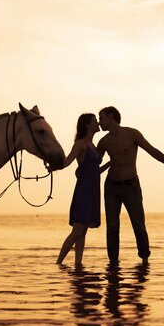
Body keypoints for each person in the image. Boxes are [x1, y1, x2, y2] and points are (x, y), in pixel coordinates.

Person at [97, 106, 164, 263]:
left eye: (101, 118)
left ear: (111, 117)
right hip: (111, 186)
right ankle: (113, 262)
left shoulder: (132, 134)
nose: (99, 122)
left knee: (138, 223)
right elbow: (93, 165)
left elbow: (152, 151)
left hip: (131, 185)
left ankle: (144, 259)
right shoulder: (103, 141)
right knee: (112, 226)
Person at [57, 113, 109, 266]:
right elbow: (67, 161)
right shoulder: (80, 144)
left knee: (83, 231)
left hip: (93, 192)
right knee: (77, 230)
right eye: (94, 121)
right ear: (87, 125)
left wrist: (111, 163)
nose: (98, 123)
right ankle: (58, 263)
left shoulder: (93, 145)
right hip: (83, 192)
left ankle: (78, 264)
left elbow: (95, 171)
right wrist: (54, 165)